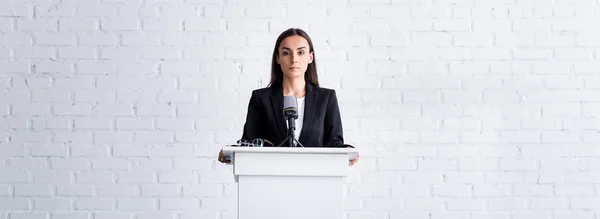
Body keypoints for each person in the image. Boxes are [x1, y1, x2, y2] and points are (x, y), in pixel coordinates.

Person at [218, 28, 359, 166]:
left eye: (301, 52)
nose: (294, 59)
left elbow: (334, 143)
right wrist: (231, 152)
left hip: (315, 178)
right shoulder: (261, 98)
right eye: (286, 53)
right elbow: (250, 142)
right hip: (271, 177)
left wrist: (346, 150)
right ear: (278, 58)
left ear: (310, 57)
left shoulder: (326, 98)